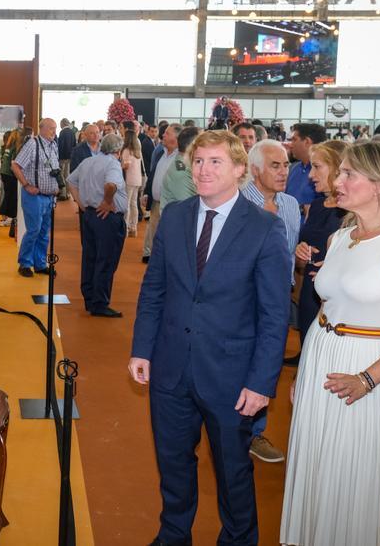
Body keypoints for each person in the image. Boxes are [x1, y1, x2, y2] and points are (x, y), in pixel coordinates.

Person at [131, 129, 291, 546]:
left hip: (232, 376)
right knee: (173, 464)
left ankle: (238, 540)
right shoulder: (176, 215)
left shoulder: (265, 228)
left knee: (233, 469)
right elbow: (154, 289)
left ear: (240, 169)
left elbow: (274, 316)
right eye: (197, 161)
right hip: (170, 367)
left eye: (215, 162)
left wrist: (261, 383)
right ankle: (173, 535)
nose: (203, 170)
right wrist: (142, 349)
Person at [280, 142, 380, 546]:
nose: (338, 180)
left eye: (349, 173)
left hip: (370, 368)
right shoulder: (340, 237)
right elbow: (327, 306)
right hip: (323, 356)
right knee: (318, 461)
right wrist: (308, 368)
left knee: (357, 467)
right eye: (341, 171)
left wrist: (367, 379)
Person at [240, 139, 301, 464]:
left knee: (266, 365)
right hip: (242, 301)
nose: (283, 171)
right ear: (254, 170)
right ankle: (237, 429)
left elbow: (288, 253)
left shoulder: (291, 205)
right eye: (275, 166)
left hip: (277, 303)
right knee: (238, 364)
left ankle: (253, 432)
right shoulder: (237, 203)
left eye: (286, 165)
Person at [286, 140, 349, 367]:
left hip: (338, 299)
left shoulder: (353, 211)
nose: (311, 174)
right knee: (308, 357)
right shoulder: (318, 205)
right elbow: (305, 252)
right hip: (310, 294)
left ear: (338, 167)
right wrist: (300, 253)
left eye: (317, 167)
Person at [68, 133, 127, 318]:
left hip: (90, 216)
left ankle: (90, 299)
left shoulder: (88, 162)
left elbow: (70, 181)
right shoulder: (112, 164)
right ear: (118, 150)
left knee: (90, 258)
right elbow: (111, 185)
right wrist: (107, 201)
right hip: (107, 218)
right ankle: (100, 303)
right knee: (106, 260)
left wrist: (81, 203)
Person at [11, 118, 61, 278]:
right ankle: (25, 264)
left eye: (55, 128)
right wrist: (26, 185)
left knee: (44, 233)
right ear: (42, 128)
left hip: (48, 197)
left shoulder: (54, 145)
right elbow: (15, 165)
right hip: (34, 196)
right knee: (34, 230)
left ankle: (40, 264)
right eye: (51, 128)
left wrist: (56, 188)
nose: (54, 131)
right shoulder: (32, 144)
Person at [143, 124, 183, 264]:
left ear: (177, 138)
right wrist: (147, 193)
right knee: (154, 236)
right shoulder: (161, 153)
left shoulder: (182, 158)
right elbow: (153, 175)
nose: (163, 135)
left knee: (169, 240)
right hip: (156, 204)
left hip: (171, 206)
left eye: (167, 133)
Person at [287, 122, 327, 217]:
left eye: (294, 140)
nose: (290, 145)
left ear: (307, 141)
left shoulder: (326, 172)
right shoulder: (293, 168)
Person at [159, 126, 201, 209]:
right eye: (202, 142)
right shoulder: (181, 172)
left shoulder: (185, 165)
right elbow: (189, 206)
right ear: (193, 146)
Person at [120, 129, 144, 237]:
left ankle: (126, 226)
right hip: (137, 179)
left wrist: (118, 166)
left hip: (129, 179)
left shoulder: (126, 151)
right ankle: (133, 226)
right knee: (134, 203)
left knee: (127, 204)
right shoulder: (137, 151)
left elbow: (126, 165)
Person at [0, 129, 21, 230]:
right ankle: (10, 218)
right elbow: (14, 164)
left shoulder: (7, 147)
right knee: (11, 197)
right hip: (10, 174)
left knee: (7, 196)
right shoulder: (14, 148)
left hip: (4, 173)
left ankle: (6, 218)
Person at [57, 118, 77, 200]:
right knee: (67, 175)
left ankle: (63, 194)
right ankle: (68, 193)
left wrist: (58, 156)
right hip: (70, 157)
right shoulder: (72, 132)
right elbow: (74, 145)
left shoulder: (62, 132)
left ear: (62, 124)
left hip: (62, 157)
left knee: (61, 175)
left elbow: (60, 146)